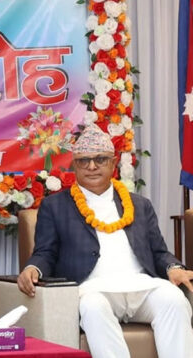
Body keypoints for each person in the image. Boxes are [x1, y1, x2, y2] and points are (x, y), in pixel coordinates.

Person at [16, 125, 193, 358]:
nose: (92, 166)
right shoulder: (55, 206)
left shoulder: (139, 205)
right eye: (84, 160)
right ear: (74, 164)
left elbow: (159, 252)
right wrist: (32, 267)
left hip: (142, 287)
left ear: (113, 162)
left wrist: (174, 268)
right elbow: (45, 252)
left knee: (174, 300)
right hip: (92, 289)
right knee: (93, 307)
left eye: (100, 159)